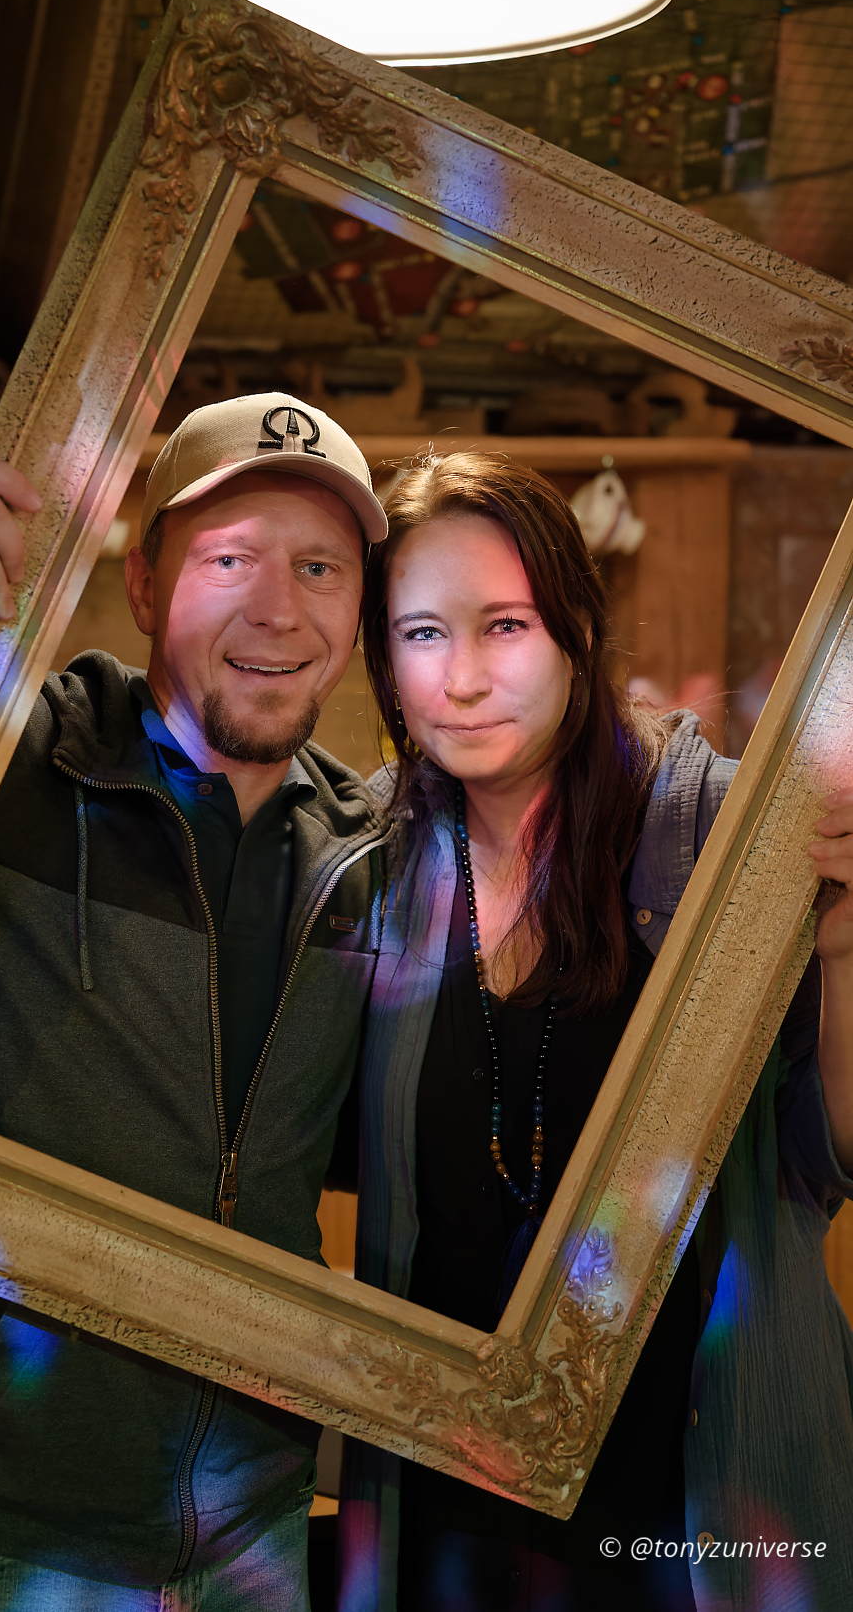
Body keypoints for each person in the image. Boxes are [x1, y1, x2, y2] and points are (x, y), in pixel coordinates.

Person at [0, 392, 392, 1610]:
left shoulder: (369, 857)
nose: (279, 607)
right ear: (146, 583)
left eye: (319, 566)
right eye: (230, 559)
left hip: (259, 1538)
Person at [337, 451, 853, 1612]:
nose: (464, 677)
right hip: (448, 1518)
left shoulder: (723, 832)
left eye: (505, 625)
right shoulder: (367, 861)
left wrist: (845, 950)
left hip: (697, 1512)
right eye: (422, 633)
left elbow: (834, 1152)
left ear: (576, 625)